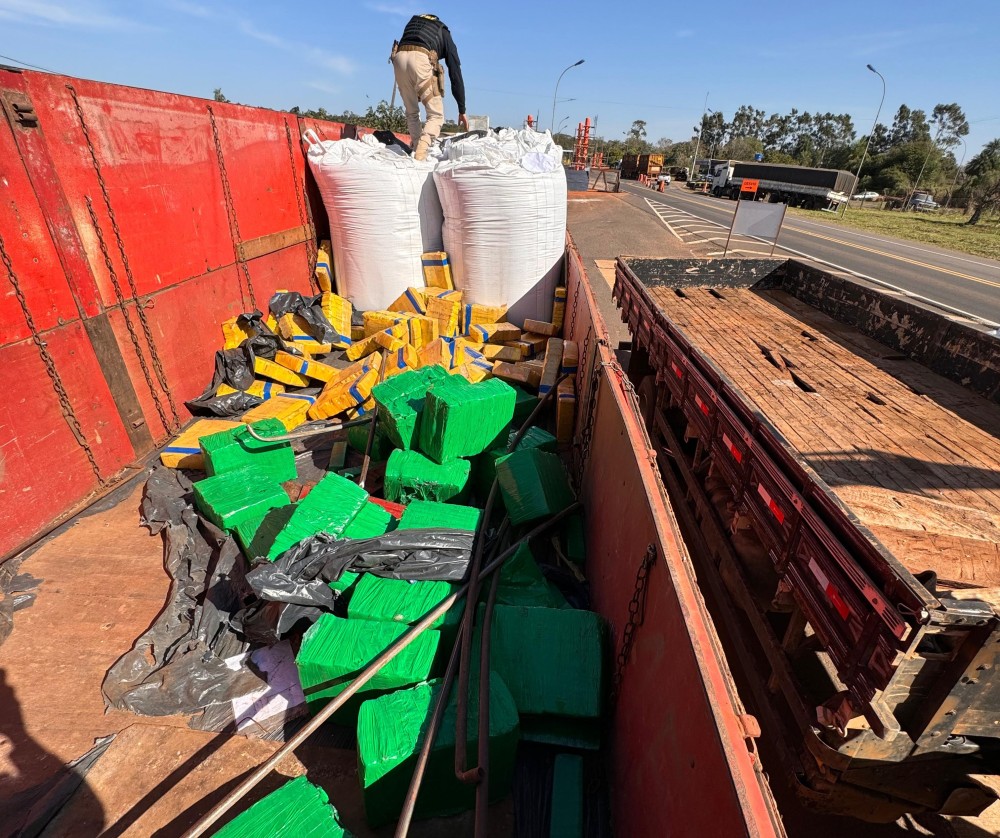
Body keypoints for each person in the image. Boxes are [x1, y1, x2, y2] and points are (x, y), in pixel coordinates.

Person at [391, 14, 468, 160]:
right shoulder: (443, 31)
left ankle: (415, 146)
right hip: (420, 60)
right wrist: (461, 109)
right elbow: (455, 72)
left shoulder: (413, 22)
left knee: (412, 112)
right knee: (436, 115)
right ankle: (420, 154)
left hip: (398, 58)